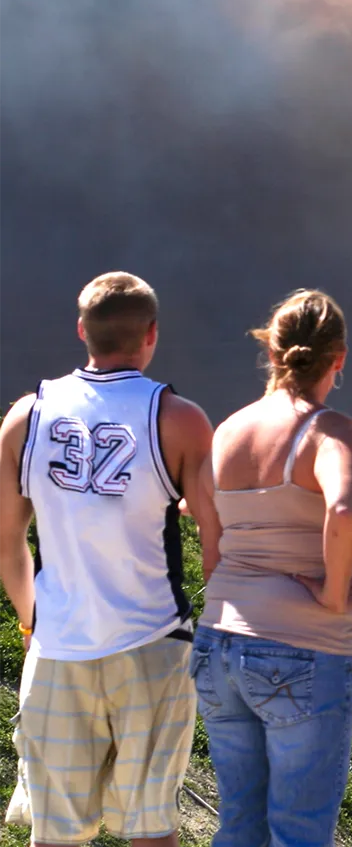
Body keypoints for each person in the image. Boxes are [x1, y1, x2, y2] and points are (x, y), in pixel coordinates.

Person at [0, 272, 221, 847]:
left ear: (82, 331)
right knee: (151, 830)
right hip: (152, 645)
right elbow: (218, 543)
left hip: (58, 653)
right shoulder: (179, 419)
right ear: (151, 335)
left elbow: (6, 543)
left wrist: (33, 620)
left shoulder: (26, 418)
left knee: (55, 836)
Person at [197, 290, 352, 846]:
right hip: (300, 647)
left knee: (239, 825)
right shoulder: (329, 429)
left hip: (217, 642)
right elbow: (342, 510)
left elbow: (209, 537)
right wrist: (333, 597)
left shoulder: (227, 432)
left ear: (270, 350)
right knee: (298, 832)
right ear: (338, 358)